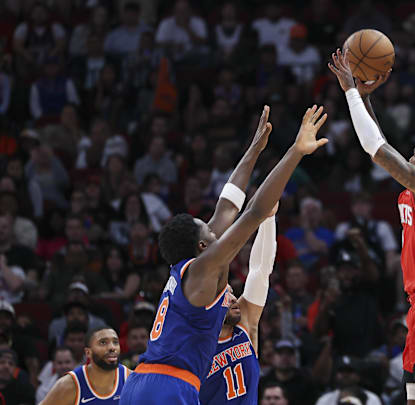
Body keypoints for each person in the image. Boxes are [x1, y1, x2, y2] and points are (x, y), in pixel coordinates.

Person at [120, 105, 328, 405]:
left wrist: (254, 150)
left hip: (144, 382)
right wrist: (295, 152)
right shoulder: (204, 269)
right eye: (208, 230)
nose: (214, 228)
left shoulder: (189, 267)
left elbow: (227, 207)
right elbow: (254, 211)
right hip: (169, 385)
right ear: (202, 246)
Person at [330, 50, 415, 404]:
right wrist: (365, 98)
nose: (405, 158)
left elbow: (376, 149)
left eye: (412, 155)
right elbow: (381, 144)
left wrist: (349, 92)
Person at [200, 203, 277, 404]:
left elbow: (260, 271)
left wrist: (268, 218)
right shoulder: (195, 345)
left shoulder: (244, 327)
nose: (234, 299)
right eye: (225, 296)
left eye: (232, 293)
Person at [40, 327, 129, 405]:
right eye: (103, 342)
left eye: (115, 342)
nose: (112, 347)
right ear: (88, 353)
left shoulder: (130, 379)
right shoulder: (70, 385)